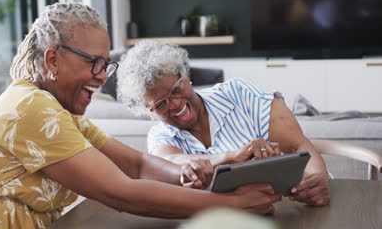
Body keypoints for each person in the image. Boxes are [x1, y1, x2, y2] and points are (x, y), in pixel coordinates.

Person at [0, 3, 282, 229]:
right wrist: (230, 205)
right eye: (94, 62)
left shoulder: (61, 115)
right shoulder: (30, 109)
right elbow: (122, 192)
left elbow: (138, 166)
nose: (103, 75)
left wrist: (190, 171)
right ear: (52, 60)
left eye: (106, 64)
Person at [117, 40, 330, 207]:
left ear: (186, 77)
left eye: (176, 89)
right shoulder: (161, 136)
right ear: (148, 111)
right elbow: (170, 162)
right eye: (160, 105)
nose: (174, 104)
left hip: (295, 208)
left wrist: (318, 181)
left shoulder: (238, 94)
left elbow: (298, 146)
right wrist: (230, 157)